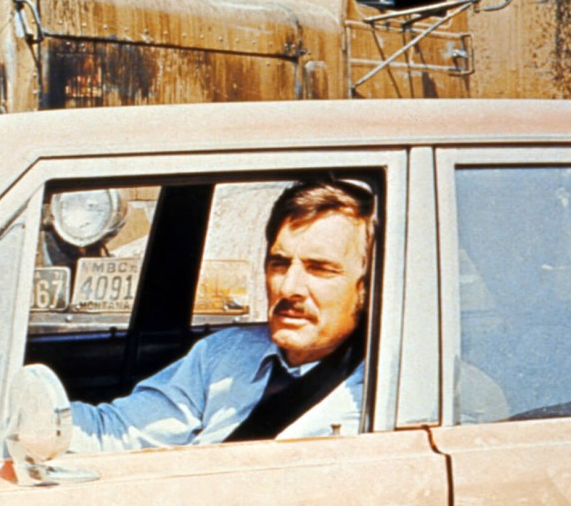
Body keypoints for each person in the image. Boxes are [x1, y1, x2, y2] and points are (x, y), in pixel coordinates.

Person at [70, 179, 376, 452]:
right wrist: (38, 415)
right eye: (279, 264)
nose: (289, 288)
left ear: (368, 288)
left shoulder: (382, 393)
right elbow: (120, 432)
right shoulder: (223, 355)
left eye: (320, 269)